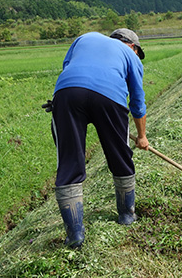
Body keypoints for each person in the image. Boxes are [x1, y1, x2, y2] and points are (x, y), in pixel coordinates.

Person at [44, 29, 148, 249]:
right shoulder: (130, 56)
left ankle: (75, 236)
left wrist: (66, 104)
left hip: (67, 93)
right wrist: (142, 136)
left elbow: (68, 69)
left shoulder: (86, 37)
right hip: (110, 97)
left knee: (70, 162)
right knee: (120, 155)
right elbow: (137, 102)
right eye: (138, 52)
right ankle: (127, 216)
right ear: (132, 46)